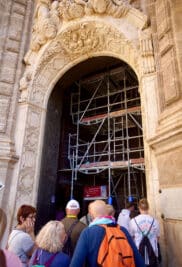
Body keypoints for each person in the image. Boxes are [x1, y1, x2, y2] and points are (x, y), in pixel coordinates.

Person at [70, 200, 145, 267]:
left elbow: (76, 263)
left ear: (91, 215)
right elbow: (139, 261)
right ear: (107, 213)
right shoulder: (122, 230)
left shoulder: (87, 233)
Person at [129, 198, 160, 267]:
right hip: (152, 251)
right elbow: (157, 238)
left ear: (139, 207)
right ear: (148, 207)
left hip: (138, 251)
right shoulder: (155, 221)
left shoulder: (133, 221)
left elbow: (131, 237)